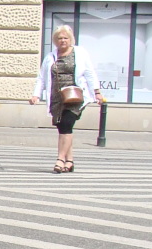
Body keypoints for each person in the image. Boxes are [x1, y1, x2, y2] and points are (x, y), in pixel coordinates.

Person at [30, 24, 101, 173]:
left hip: (75, 96)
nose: (63, 41)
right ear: (56, 40)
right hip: (57, 98)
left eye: (65, 38)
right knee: (63, 128)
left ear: (71, 39)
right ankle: (70, 161)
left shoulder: (80, 53)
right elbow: (42, 78)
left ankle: (60, 159)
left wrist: (97, 92)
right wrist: (36, 95)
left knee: (67, 124)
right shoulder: (50, 56)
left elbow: (89, 73)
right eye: (60, 38)